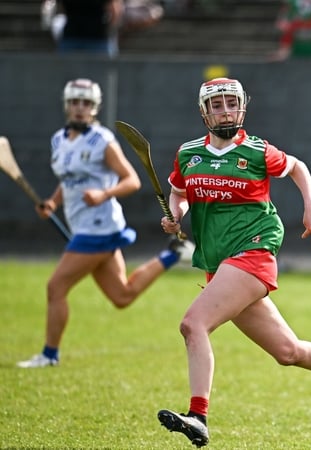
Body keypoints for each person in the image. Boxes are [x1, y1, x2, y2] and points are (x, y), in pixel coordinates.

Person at [156, 77, 311, 448]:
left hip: (253, 250)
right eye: (217, 105)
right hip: (219, 260)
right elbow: (179, 193)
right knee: (287, 352)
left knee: (192, 324)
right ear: (204, 112)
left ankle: (197, 416)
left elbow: (297, 167)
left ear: (242, 106)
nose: (225, 110)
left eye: (231, 103)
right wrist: (175, 215)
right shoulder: (188, 154)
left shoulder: (258, 151)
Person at [17, 78, 186, 369]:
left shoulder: (102, 140)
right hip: (84, 226)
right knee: (122, 295)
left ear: (94, 108)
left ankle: (49, 354)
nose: (80, 108)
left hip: (99, 226)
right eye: (74, 102)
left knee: (55, 287)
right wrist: (53, 203)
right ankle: (175, 254)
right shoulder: (58, 139)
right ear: (67, 105)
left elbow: (131, 180)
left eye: (86, 103)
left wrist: (103, 194)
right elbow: (67, 180)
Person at [55, 0, 124, 57]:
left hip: (71, 36)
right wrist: (108, 29)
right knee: (103, 71)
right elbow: (115, 11)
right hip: (97, 37)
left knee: (66, 72)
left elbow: (59, 8)